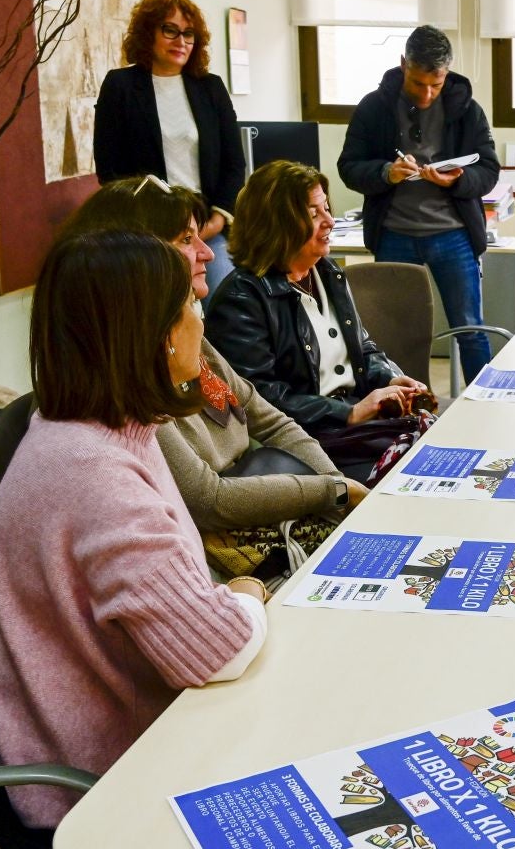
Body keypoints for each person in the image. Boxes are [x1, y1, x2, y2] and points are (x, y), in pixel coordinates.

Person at [0, 230, 270, 831]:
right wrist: (248, 592)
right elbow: (220, 651)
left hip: (125, 742)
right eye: (188, 305)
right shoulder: (95, 476)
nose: (201, 317)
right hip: (100, 793)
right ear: (157, 337)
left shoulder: (95, 427)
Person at [59, 175, 364, 577]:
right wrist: (334, 491)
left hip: (256, 515)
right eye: (187, 239)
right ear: (137, 255)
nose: (206, 252)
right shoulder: (128, 374)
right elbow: (208, 500)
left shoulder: (185, 336)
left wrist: (335, 486)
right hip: (214, 555)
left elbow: (268, 418)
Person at [206, 159, 431, 482]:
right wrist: (349, 412)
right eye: (314, 214)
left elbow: (363, 348)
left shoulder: (327, 272)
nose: (329, 221)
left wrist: (390, 380)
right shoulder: (242, 297)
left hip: (353, 429)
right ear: (277, 224)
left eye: (326, 208)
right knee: (416, 471)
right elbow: (260, 399)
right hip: (307, 442)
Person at [336, 24, 501, 384]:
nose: (426, 94)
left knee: (470, 329)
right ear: (403, 65)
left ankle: (483, 402)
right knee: (394, 333)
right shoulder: (374, 107)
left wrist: (458, 180)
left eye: (435, 85)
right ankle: (405, 406)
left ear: (447, 73)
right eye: (417, 83)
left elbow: (489, 171)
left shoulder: (468, 110)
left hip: (454, 235)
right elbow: (348, 167)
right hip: (394, 234)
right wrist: (386, 173)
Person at [92, 0, 244, 295]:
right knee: (157, 308)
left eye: (188, 34)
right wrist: (148, 224)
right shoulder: (120, 86)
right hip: (146, 229)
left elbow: (234, 162)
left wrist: (217, 220)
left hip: (205, 226)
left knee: (224, 301)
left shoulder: (211, 88)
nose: (181, 41)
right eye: (170, 30)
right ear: (148, 32)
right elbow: (110, 170)